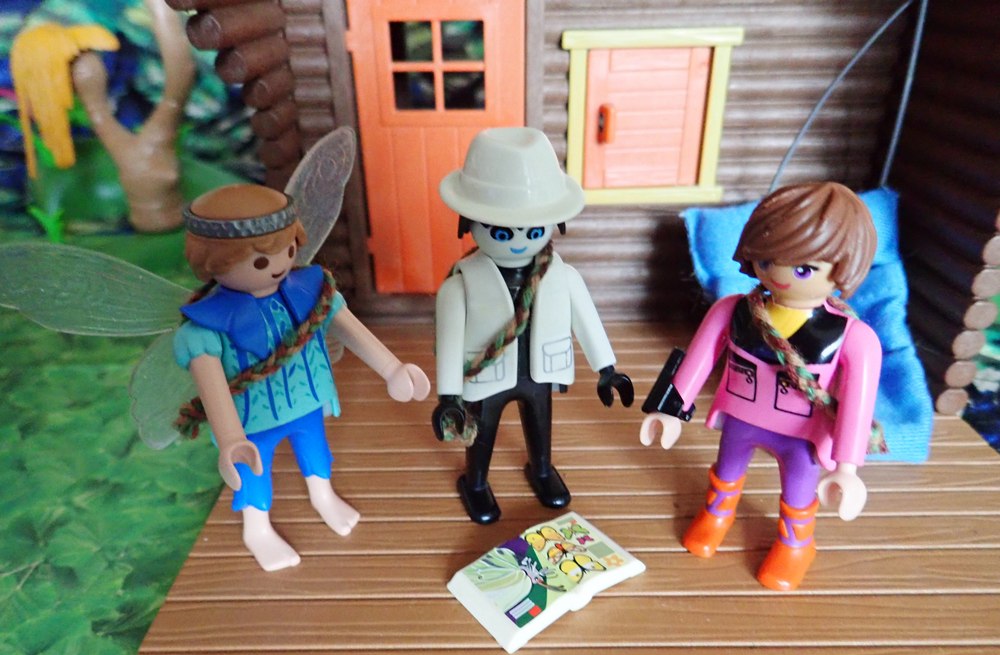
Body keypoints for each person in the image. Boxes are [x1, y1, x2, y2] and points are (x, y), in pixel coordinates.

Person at [640, 182, 882, 591]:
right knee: (727, 469)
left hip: (801, 433)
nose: (781, 275)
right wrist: (669, 409)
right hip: (741, 416)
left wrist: (847, 468)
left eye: (804, 269)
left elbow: (858, 407)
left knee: (799, 489)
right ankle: (717, 513)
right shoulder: (733, 311)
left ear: (843, 268)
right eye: (768, 260)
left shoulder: (853, 338)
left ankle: (796, 544)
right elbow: (698, 358)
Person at [175, 184, 429, 571]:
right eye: (262, 261)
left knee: (315, 449)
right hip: (252, 420)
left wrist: (393, 368)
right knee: (254, 471)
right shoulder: (206, 326)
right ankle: (256, 529)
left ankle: (322, 496)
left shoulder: (310, 291)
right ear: (212, 262)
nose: (279, 265)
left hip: (306, 399)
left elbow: (347, 326)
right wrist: (230, 440)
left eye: (289, 249)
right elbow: (212, 388)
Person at [434, 127, 633, 524]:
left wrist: (606, 369)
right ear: (468, 223)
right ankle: (476, 482)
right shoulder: (461, 285)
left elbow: (586, 319)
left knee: (541, 426)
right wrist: (449, 395)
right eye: (501, 232)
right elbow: (449, 341)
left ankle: (542, 471)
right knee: (483, 432)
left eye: (534, 230)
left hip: (540, 371)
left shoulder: (561, 275)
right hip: (487, 374)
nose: (519, 242)